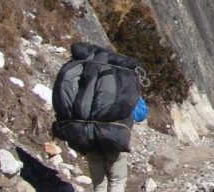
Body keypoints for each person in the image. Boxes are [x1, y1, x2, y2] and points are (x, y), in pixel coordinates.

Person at [51, 43, 148, 192]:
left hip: (83, 133)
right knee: (117, 181)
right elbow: (141, 113)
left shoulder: (80, 70)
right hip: (113, 135)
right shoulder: (119, 76)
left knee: (98, 184)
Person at [86, 98, 147, 192]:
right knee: (117, 182)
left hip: (91, 137)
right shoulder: (127, 84)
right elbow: (140, 115)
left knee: (99, 185)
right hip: (116, 138)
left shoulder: (87, 83)